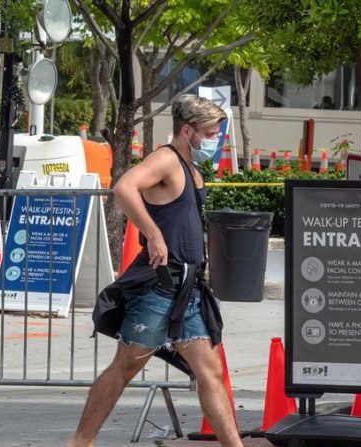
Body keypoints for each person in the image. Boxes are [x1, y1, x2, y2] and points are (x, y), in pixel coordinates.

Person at [67, 95, 242, 447]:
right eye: (210, 133)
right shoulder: (166, 159)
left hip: (188, 290)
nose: (215, 140)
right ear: (188, 130)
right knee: (125, 367)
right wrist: (153, 233)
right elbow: (123, 187)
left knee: (211, 372)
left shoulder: (191, 168)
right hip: (159, 289)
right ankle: (80, 443)